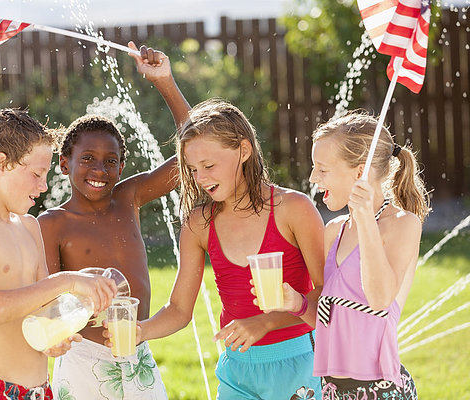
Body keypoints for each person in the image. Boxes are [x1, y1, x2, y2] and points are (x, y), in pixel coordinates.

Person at [133, 98, 325, 399]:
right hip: (237, 369)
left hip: (299, 363)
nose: (201, 178)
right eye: (193, 169)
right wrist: (141, 331)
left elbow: (326, 294)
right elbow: (180, 309)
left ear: (244, 150)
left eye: (209, 165)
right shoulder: (199, 224)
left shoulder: (293, 209)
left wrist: (265, 322)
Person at [37, 42, 190, 400]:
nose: (99, 169)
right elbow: (45, 296)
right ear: (64, 164)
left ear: (122, 166)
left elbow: (191, 150)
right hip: (83, 359)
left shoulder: (128, 197)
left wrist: (165, 81)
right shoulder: (53, 223)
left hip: (137, 351)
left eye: (110, 161)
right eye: (87, 158)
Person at [0, 108, 117, 400]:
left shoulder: (29, 226)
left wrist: (52, 338)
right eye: (36, 174)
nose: (43, 186)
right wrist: (68, 280)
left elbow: (43, 310)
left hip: (40, 391)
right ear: (0, 163)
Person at [277, 111, 429, 399]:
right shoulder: (334, 230)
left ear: (360, 173)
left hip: (380, 390)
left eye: (322, 169)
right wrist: (296, 303)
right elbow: (333, 321)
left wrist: (366, 221)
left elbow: (380, 299)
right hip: (333, 390)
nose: (312, 178)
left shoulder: (402, 224)